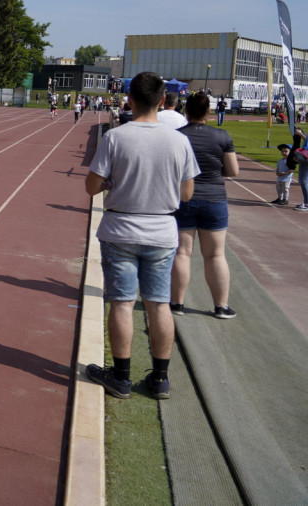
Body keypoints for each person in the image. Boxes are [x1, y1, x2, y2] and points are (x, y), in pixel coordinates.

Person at [85, 72, 199, 400]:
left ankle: (120, 377)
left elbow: (91, 186)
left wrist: (112, 183)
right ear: (163, 101)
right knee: (159, 304)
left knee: (121, 304)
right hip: (162, 231)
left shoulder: (116, 137)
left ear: (130, 100)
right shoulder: (179, 140)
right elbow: (187, 194)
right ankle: (160, 379)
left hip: (121, 229)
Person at [169, 92, 239, 319]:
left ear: (185, 110)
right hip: (214, 199)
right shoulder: (222, 136)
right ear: (208, 111)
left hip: (183, 198)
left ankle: (176, 304)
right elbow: (233, 171)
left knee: (182, 252)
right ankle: (221, 307)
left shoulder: (177, 136)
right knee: (216, 255)